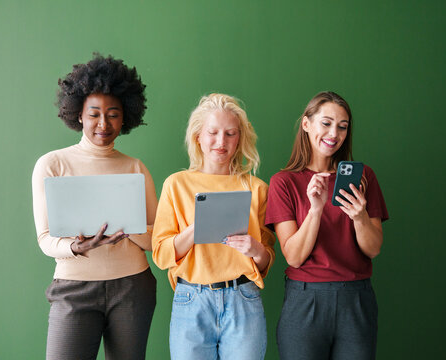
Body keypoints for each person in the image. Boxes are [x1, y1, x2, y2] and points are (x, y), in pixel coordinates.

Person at [31, 54, 157, 360]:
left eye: (113, 114)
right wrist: (78, 246)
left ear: (125, 116)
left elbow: (156, 239)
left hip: (132, 287)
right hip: (74, 288)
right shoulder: (53, 164)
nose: (104, 124)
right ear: (79, 116)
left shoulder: (134, 167)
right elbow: (46, 239)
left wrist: (129, 231)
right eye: (94, 114)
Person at [265, 91, 389, 360]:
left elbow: (373, 249)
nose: (334, 133)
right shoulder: (283, 182)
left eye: (343, 127)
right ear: (307, 124)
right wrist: (316, 209)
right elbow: (294, 257)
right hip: (305, 301)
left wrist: (359, 217)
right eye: (326, 123)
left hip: (356, 299)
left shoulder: (364, 176)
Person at [152, 93, 275, 360]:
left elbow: (266, 262)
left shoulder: (257, 189)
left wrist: (255, 249)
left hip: (243, 298)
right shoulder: (176, 184)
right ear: (198, 136)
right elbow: (161, 255)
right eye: (213, 132)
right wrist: (195, 230)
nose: (222, 142)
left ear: (240, 138)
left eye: (231, 134)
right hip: (191, 298)